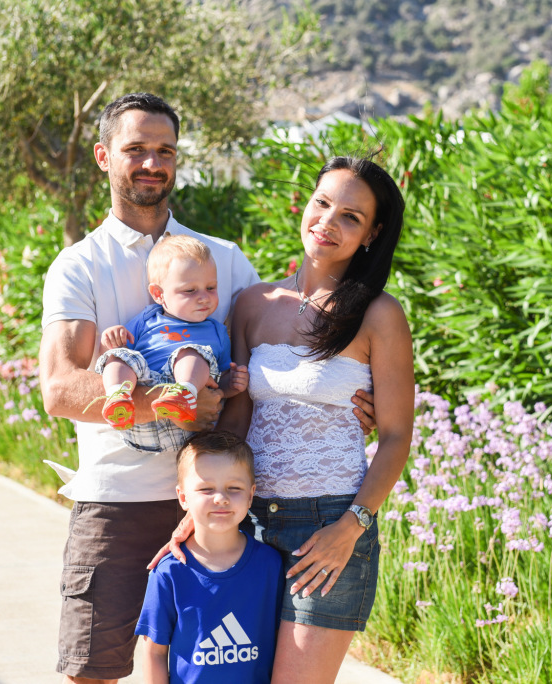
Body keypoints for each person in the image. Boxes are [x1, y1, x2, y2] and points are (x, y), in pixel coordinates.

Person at [39, 92, 378, 684]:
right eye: (135, 149)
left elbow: (274, 346)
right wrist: (186, 402)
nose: (151, 162)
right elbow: (61, 389)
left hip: (220, 507)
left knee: (221, 672)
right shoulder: (79, 266)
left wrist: (344, 406)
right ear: (102, 156)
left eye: (164, 150)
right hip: (116, 499)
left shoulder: (221, 259)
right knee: (90, 670)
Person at [155, 155, 414, 683]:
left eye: (350, 216)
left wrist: (352, 526)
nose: (327, 221)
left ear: (371, 234)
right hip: (244, 522)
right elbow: (237, 420)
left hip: (328, 527)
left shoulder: (379, 314)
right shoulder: (253, 303)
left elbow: (395, 437)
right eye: (322, 203)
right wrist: (202, 506)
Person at [136, 430, 283, 684]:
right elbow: (154, 652)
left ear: (251, 495)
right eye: (206, 489)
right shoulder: (169, 572)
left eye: (234, 488)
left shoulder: (271, 564)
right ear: (183, 497)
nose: (221, 498)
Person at [92, 235, 248, 452]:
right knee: (119, 357)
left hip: (187, 423)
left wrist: (231, 385)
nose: (203, 297)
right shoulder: (147, 319)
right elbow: (113, 357)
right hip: (139, 418)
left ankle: (183, 392)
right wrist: (112, 339)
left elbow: (217, 383)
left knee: (192, 353)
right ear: (158, 294)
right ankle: (118, 397)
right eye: (190, 291)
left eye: (211, 288)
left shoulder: (216, 331)